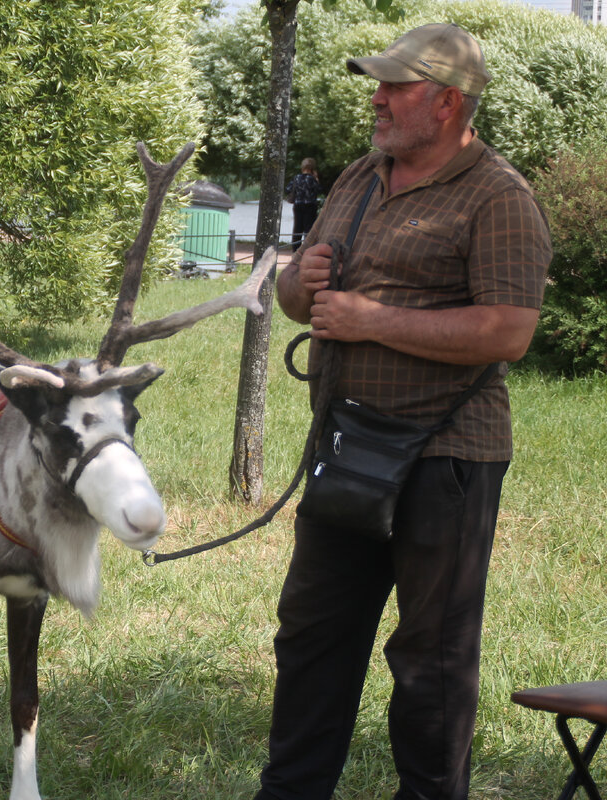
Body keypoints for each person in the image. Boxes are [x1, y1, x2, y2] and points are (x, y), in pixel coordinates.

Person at [255, 23, 551, 800]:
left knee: (431, 658)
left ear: (448, 102)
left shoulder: (500, 197)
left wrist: (372, 320)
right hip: (348, 446)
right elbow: (297, 305)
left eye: (395, 86)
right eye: (377, 84)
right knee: (314, 637)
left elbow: (509, 330)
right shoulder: (359, 175)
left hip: (444, 458)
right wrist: (299, 278)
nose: (377, 99)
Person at [285, 157, 322, 250]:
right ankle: (307, 248)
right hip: (310, 206)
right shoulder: (312, 179)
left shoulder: (296, 178)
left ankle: (295, 249)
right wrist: (316, 179)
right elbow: (319, 190)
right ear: (312, 168)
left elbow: (287, 189)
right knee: (308, 228)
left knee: (297, 227)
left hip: (298, 205)